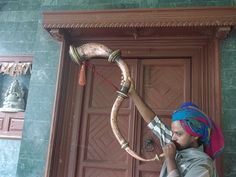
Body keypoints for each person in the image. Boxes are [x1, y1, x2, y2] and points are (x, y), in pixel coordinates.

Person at [128, 78, 224, 177]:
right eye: (173, 132)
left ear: (195, 135)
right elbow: (154, 122)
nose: (173, 137)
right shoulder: (178, 143)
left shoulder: (203, 165)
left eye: (178, 133)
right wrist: (132, 92)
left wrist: (170, 159)